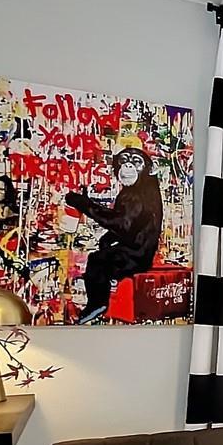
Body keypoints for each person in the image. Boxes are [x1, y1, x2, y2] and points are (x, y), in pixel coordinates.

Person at [64, 137, 162, 324]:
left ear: (147, 169)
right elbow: (134, 224)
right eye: (124, 161)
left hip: (136, 254)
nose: (128, 167)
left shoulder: (137, 194)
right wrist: (108, 238)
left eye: (135, 162)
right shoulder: (142, 190)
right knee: (104, 254)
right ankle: (108, 287)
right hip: (138, 248)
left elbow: (122, 223)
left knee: (96, 261)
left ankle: (97, 304)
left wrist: (84, 204)